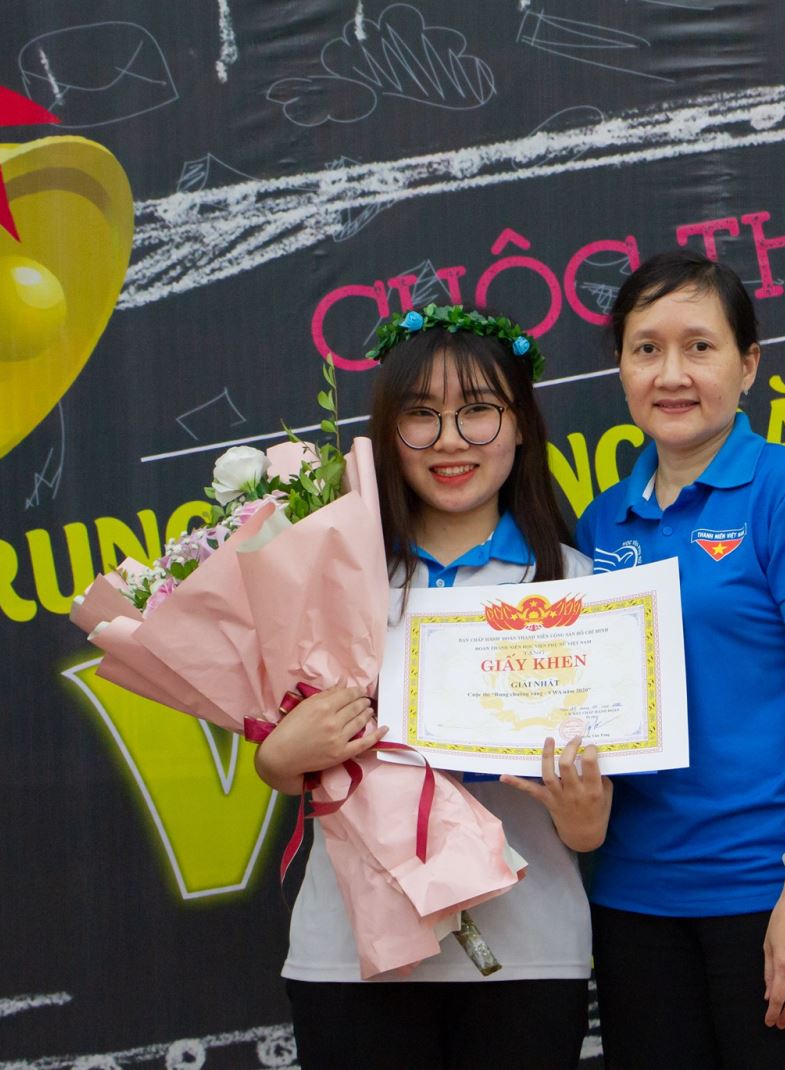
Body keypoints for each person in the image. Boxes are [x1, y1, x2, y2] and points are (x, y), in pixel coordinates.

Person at [254, 306, 611, 1070]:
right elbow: (283, 764)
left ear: (521, 425)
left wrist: (584, 818)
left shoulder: (582, 590)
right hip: (350, 954)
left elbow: (590, 827)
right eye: (421, 415)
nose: (450, 440)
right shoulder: (332, 578)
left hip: (527, 955)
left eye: (478, 411)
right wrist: (278, 756)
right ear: (388, 434)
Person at [576, 249, 785, 1067]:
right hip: (638, 904)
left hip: (779, 890)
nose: (671, 374)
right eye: (646, 349)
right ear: (621, 368)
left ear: (748, 366)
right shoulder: (599, 525)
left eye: (699, 347)